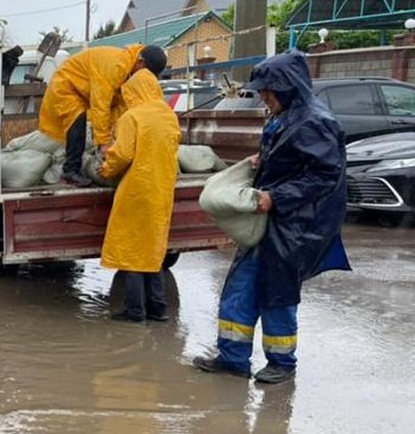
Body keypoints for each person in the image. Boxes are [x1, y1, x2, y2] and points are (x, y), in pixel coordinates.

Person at [193, 51, 350, 384]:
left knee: (277, 293)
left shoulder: (314, 121)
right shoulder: (286, 115)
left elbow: (324, 176)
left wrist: (275, 197)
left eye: (268, 90)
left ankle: (282, 362)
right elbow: (290, 160)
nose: (263, 96)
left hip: (296, 224)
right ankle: (233, 358)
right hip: (272, 222)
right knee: (241, 287)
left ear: (288, 87)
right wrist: (260, 161)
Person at [98, 69, 181, 322]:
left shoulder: (131, 117)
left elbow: (122, 154)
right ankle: (158, 309)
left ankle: (135, 311)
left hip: (137, 191)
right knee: (153, 252)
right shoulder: (168, 116)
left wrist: (105, 168)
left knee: (132, 253)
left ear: (132, 92)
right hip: (162, 190)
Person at [38, 44, 169, 187]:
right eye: (145, 73)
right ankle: (70, 171)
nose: (144, 78)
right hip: (67, 85)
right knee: (77, 120)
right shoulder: (115, 66)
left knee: (99, 126)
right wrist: (104, 143)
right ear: (140, 62)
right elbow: (100, 106)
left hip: (85, 90)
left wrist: (118, 137)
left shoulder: (130, 71)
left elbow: (118, 107)